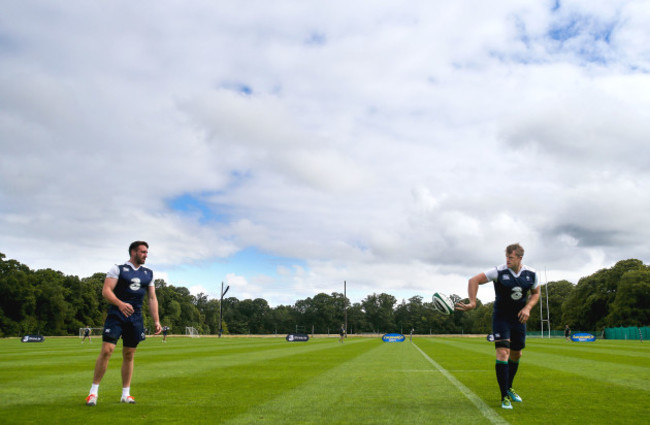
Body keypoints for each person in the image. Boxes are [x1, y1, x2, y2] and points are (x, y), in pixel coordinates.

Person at [455, 243, 540, 410]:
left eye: (511, 258)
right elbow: (474, 280)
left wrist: (528, 308)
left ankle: (509, 387)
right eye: (506, 257)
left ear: (520, 258)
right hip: (501, 317)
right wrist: (472, 302)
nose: (507, 260)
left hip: (519, 319)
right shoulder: (498, 271)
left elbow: (535, 293)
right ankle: (504, 397)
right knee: (503, 352)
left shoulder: (532, 274)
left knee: (516, 354)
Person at [85, 241, 161, 406]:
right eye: (143, 252)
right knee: (107, 350)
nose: (146, 255)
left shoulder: (149, 273)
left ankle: (125, 394)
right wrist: (120, 304)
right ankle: (93, 393)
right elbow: (106, 291)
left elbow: (152, 298)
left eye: (147, 252)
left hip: (135, 318)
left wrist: (156, 320)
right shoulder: (117, 269)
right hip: (116, 315)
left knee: (129, 354)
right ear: (133, 252)